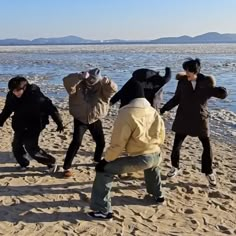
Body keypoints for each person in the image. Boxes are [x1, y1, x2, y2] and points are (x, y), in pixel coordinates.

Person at [88, 80, 165, 220]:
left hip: (141, 158)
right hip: (156, 154)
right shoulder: (153, 110)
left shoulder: (126, 113)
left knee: (104, 171)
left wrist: (106, 161)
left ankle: (103, 210)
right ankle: (158, 195)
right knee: (153, 167)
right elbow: (161, 134)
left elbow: (117, 144)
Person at [160, 58, 228, 187]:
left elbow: (220, 94)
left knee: (207, 147)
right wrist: (163, 109)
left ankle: (209, 173)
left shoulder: (206, 83)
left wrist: (223, 91)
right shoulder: (182, 83)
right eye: (185, 70)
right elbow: (176, 99)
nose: (185, 73)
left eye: (187, 70)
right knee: (176, 146)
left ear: (194, 71)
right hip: (183, 118)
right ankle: (175, 167)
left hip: (200, 119)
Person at [0, 76, 64, 172]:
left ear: (25, 88)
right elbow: (7, 110)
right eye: (12, 90)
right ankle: (23, 163)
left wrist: (59, 122)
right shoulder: (11, 95)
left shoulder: (36, 97)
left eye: (18, 90)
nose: (15, 92)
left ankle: (51, 162)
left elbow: (51, 109)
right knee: (16, 145)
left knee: (31, 147)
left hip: (35, 124)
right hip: (20, 123)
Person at [62, 68, 117, 177]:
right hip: (80, 118)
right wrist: (78, 76)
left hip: (95, 118)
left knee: (101, 142)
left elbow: (112, 90)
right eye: (89, 80)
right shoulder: (78, 84)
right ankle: (66, 167)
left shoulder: (102, 86)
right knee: (76, 142)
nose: (91, 82)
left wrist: (108, 82)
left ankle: (97, 160)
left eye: (94, 80)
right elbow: (66, 81)